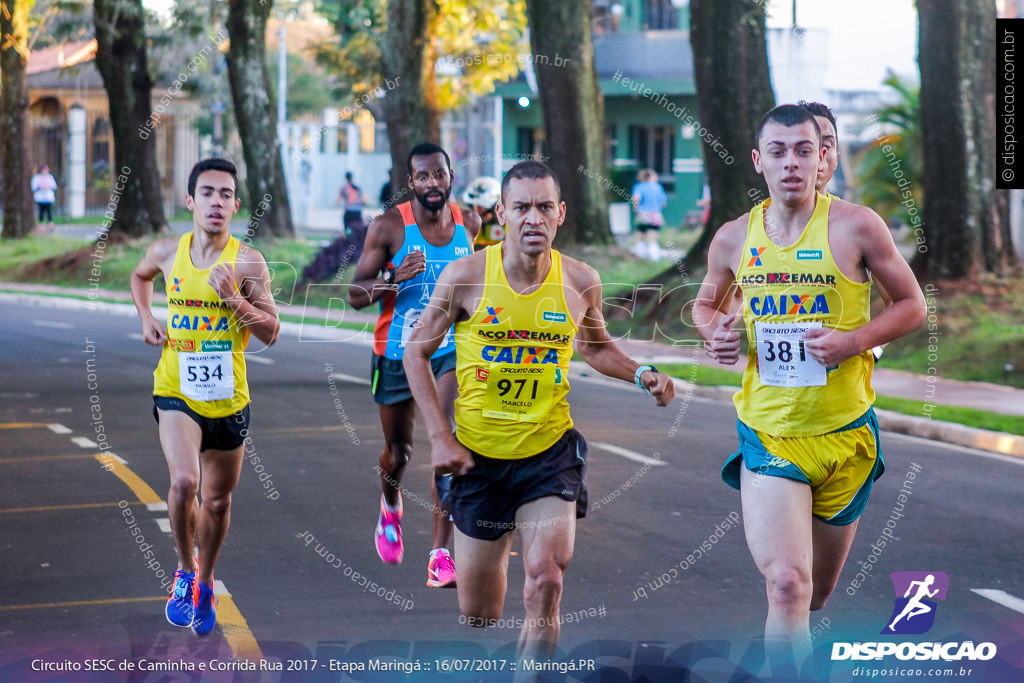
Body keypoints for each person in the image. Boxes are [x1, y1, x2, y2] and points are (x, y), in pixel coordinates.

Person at [404, 160, 675, 663]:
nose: (534, 218)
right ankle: (494, 549)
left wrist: (642, 373)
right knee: (480, 612)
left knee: (546, 581)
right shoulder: (465, 277)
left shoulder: (579, 279)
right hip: (478, 459)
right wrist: (441, 436)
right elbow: (415, 352)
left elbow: (596, 348)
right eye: (521, 207)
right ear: (501, 215)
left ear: (561, 213)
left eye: (544, 207)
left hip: (549, 454)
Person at [692, 104, 925, 670]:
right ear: (758, 161)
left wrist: (852, 341)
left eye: (804, 150)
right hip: (771, 434)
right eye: (778, 152)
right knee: (787, 587)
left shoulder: (857, 226)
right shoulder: (732, 238)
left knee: (816, 592)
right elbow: (704, 305)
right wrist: (717, 334)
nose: (791, 163)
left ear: (823, 157)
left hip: (845, 435)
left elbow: (913, 305)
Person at [129, 158, 280, 635]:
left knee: (216, 503)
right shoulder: (167, 253)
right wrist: (147, 318)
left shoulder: (247, 262)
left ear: (236, 205)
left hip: (229, 399)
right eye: (208, 193)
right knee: (183, 484)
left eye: (226, 194)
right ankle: (183, 569)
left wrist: (236, 299)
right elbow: (139, 277)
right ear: (191, 201)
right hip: (177, 389)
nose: (217, 202)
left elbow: (272, 332)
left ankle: (207, 579)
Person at [348, 142, 481, 587]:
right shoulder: (388, 227)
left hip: (447, 350)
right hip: (396, 351)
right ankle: (390, 504)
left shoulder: (470, 223)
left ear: (450, 178)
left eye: (439, 175)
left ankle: (440, 554)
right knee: (399, 452)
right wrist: (392, 277)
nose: (432, 184)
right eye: (422, 177)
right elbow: (355, 295)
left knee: (445, 435)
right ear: (411, 183)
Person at [630, 169, 668, 261]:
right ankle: (654, 257)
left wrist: (635, 208)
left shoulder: (639, 186)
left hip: (643, 214)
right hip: (655, 215)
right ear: (651, 177)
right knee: (653, 237)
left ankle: (640, 256)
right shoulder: (658, 187)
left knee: (640, 235)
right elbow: (663, 203)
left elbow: (636, 198)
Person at [461, 176, 504, 251]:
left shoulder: (507, 226)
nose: (476, 209)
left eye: (481, 206)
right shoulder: (466, 225)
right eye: (474, 205)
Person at [31, 165, 58, 232]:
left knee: (49, 211)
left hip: (48, 198)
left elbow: (54, 186)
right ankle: (41, 224)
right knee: (41, 211)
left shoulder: (50, 177)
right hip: (40, 198)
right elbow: (34, 187)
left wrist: (48, 187)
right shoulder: (37, 177)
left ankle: (50, 223)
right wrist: (40, 187)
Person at [340, 172, 366, 236]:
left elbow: (338, 201)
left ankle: (349, 243)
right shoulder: (358, 188)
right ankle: (358, 244)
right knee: (358, 230)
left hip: (349, 211)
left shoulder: (344, 188)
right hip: (357, 212)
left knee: (348, 231)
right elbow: (365, 201)